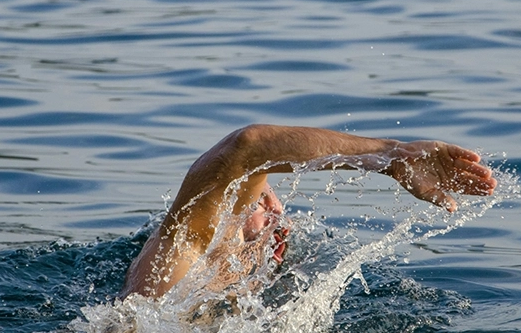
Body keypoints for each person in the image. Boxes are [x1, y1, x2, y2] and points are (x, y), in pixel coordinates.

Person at [121, 124, 497, 301]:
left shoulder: (238, 295)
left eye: (274, 201)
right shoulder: (183, 250)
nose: (274, 208)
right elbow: (247, 147)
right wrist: (391, 156)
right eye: (258, 195)